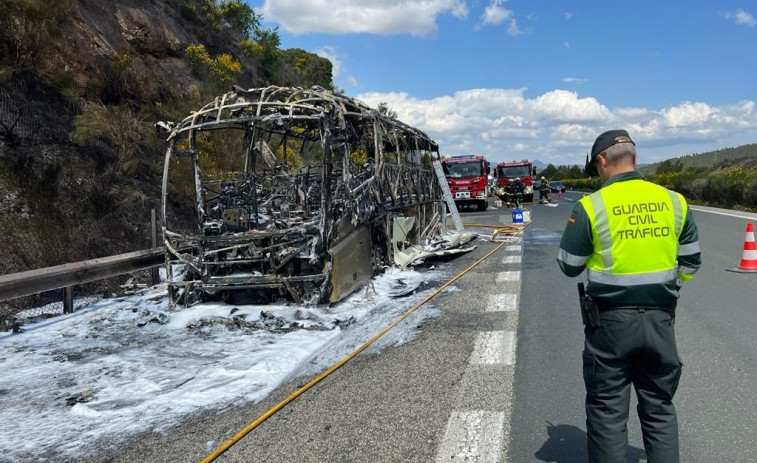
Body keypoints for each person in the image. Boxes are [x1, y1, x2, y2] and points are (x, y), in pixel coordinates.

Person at [556, 129, 701, 463]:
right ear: (634, 157)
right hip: (661, 319)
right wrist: (669, 288)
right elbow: (692, 259)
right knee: (659, 406)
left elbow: (569, 266)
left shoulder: (591, 206)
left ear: (602, 160)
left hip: (609, 323)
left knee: (607, 410)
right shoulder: (674, 201)